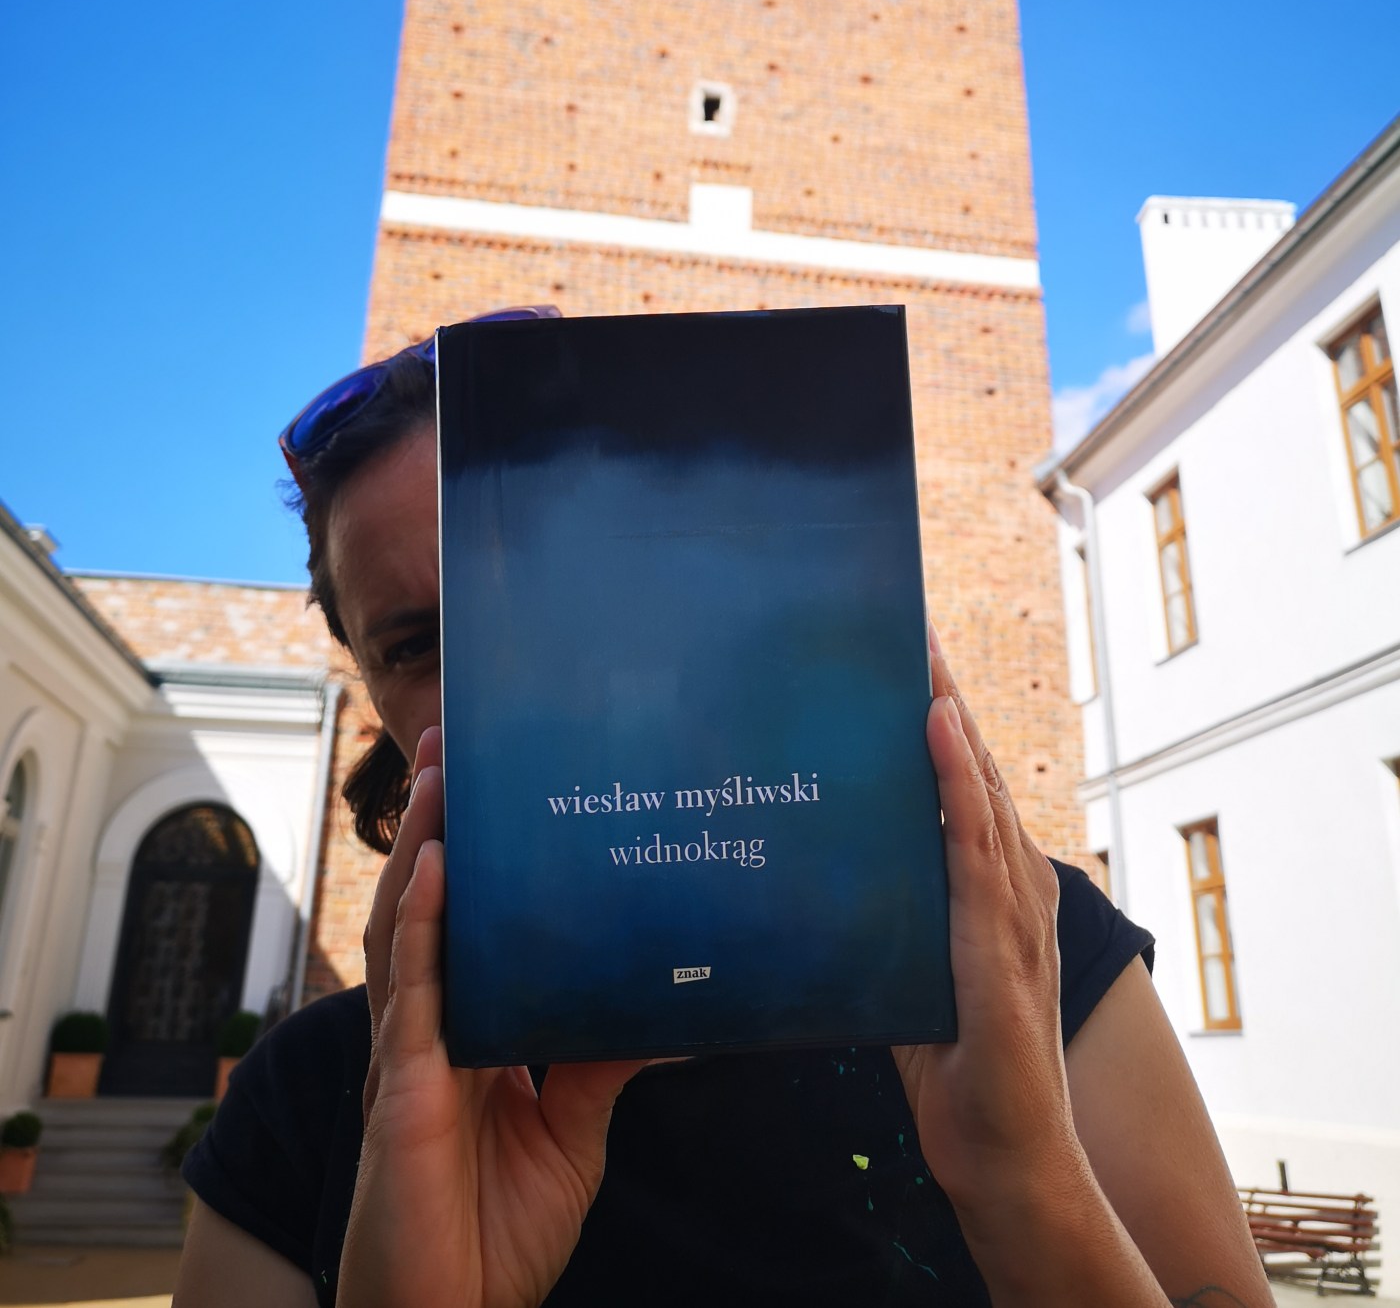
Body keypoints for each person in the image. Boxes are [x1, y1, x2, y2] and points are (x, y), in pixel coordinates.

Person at [174, 321, 1272, 1308]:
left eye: (548, 596)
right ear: (369, 690)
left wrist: (1025, 1185)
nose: (505, 684)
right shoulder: (303, 1109)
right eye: (418, 645)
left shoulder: (1021, 969)